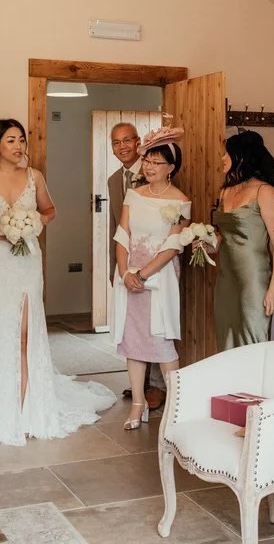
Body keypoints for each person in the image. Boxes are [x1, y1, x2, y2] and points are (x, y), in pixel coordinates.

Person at [0, 118, 115, 446]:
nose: (18, 146)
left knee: (25, 334)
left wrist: (31, 224)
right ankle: (3, 415)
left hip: (27, 262)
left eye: (21, 140)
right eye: (10, 141)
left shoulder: (35, 176)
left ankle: (30, 412)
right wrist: (4, 232)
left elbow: (50, 209)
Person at [110, 127, 190, 430]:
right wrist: (125, 272)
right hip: (131, 275)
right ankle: (138, 404)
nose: (149, 167)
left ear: (171, 168)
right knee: (133, 341)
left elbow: (173, 244)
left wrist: (143, 274)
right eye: (148, 161)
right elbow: (122, 234)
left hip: (159, 277)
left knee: (162, 340)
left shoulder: (180, 201)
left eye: (157, 163)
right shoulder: (134, 194)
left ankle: (178, 406)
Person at [107, 122, 166, 408]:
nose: (122, 147)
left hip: (155, 260)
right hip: (126, 261)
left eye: (127, 141)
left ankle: (157, 385)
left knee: (155, 325)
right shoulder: (112, 179)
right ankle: (139, 386)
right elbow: (114, 227)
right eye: (116, 143)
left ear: (138, 141)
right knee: (133, 325)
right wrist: (114, 266)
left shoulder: (153, 171)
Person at [212, 130, 274, 351]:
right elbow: (222, 237)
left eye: (227, 154)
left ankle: (253, 386)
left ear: (241, 157)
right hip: (226, 279)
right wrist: (206, 243)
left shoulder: (265, 191)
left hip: (254, 280)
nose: (222, 159)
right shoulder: (225, 192)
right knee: (225, 339)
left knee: (252, 341)